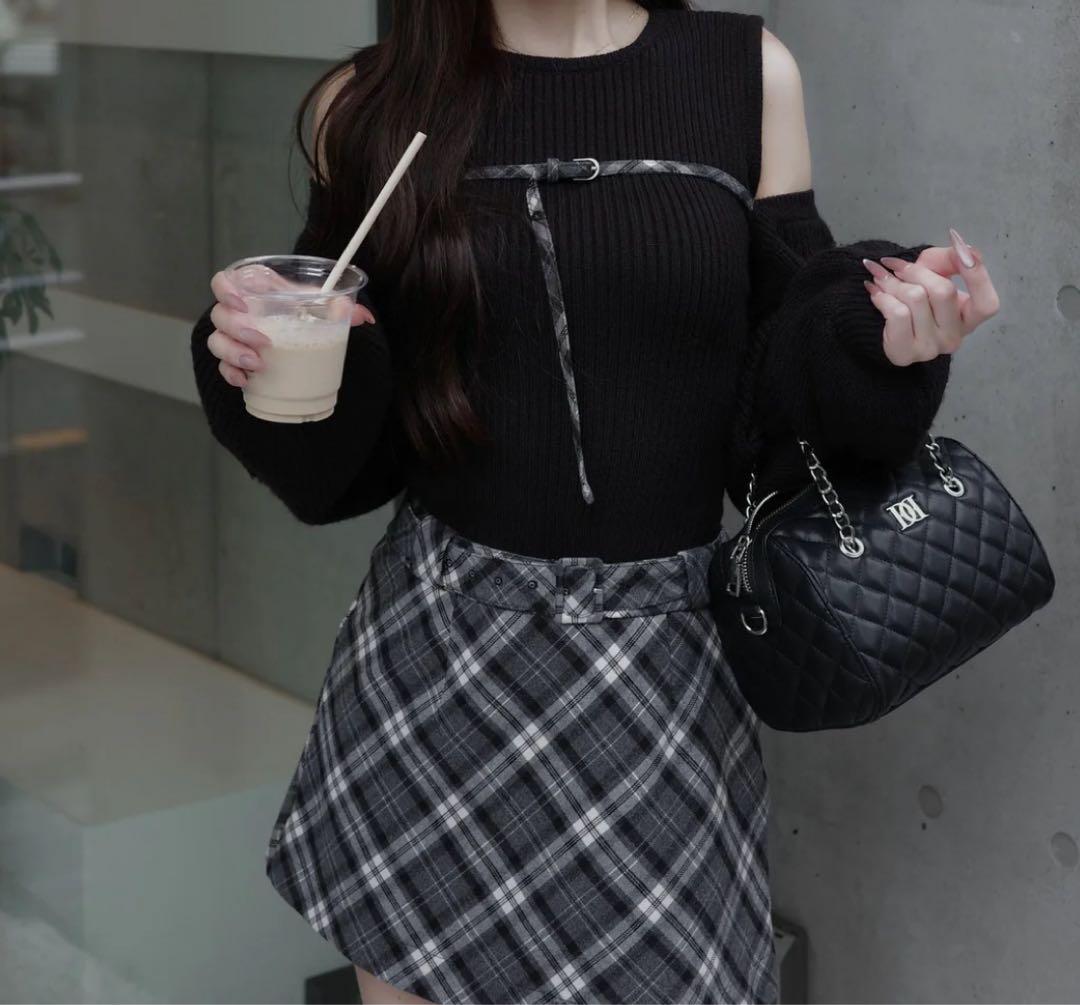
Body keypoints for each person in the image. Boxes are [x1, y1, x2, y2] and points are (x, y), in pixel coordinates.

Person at [189, 2, 1000, 1002]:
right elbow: (340, 464)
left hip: (664, 673)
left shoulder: (746, 71)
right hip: (437, 671)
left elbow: (778, 419)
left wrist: (880, 345)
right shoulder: (364, 105)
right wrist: (253, 363)